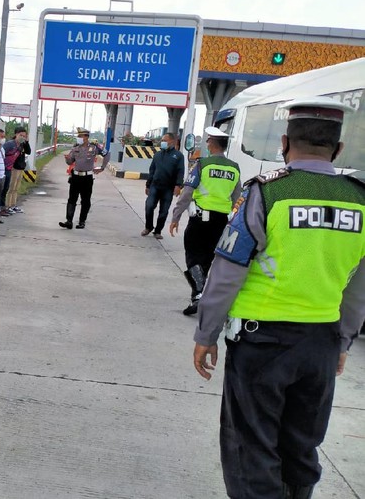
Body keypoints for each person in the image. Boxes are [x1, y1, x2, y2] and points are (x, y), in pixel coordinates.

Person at [193, 96, 365, 499]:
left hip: (261, 343)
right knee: (300, 447)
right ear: (337, 149)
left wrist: (206, 334)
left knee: (251, 449)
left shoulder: (266, 193)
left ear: (285, 143)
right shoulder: (360, 199)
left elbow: (226, 272)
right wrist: (342, 341)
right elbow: (359, 288)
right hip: (321, 342)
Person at [169, 127, 241, 315]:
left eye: (208, 141)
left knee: (193, 256)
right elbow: (237, 197)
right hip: (221, 221)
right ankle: (201, 294)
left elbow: (187, 192)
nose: (207, 144)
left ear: (212, 144)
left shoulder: (203, 164)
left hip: (200, 220)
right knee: (208, 258)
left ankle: (198, 294)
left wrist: (176, 216)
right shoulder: (234, 167)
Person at [59, 127, 110, 229]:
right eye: (78, 136)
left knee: (85, 200)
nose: (79, 138)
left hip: (87, 178)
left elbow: (107, 154)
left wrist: (102, 167)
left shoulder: (94, 147)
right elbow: (70, 161)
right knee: (72, 199)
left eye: (80, 136)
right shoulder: (75, 148)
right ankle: (69, 221)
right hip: (75, 177)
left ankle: (82, 221)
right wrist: (67, 159)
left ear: (86, 137)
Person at [142, 132, 184, 239]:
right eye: (162, 140)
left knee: (164, 211)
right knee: (149, 206)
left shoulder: (178, 156)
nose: (163, 142)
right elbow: (152, 170)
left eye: (165, 140)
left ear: (172, 142)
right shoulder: (157, 155)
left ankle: (158, 231)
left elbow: (180, 171)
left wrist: (178, 185)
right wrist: (148, 185)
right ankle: (149, 227)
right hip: (155, 186)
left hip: (168, 188)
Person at [4, 126, 30, 213]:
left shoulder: (22, 144)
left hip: (20, 168)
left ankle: (13, 205)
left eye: (24, 136)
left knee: (16, 188)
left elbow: (28, 151)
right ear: (16, 134)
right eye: (21, 135)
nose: (22, 137)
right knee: (11, 187)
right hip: (13, 168)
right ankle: (8, 206)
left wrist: (26, 142)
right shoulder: (11, 144)